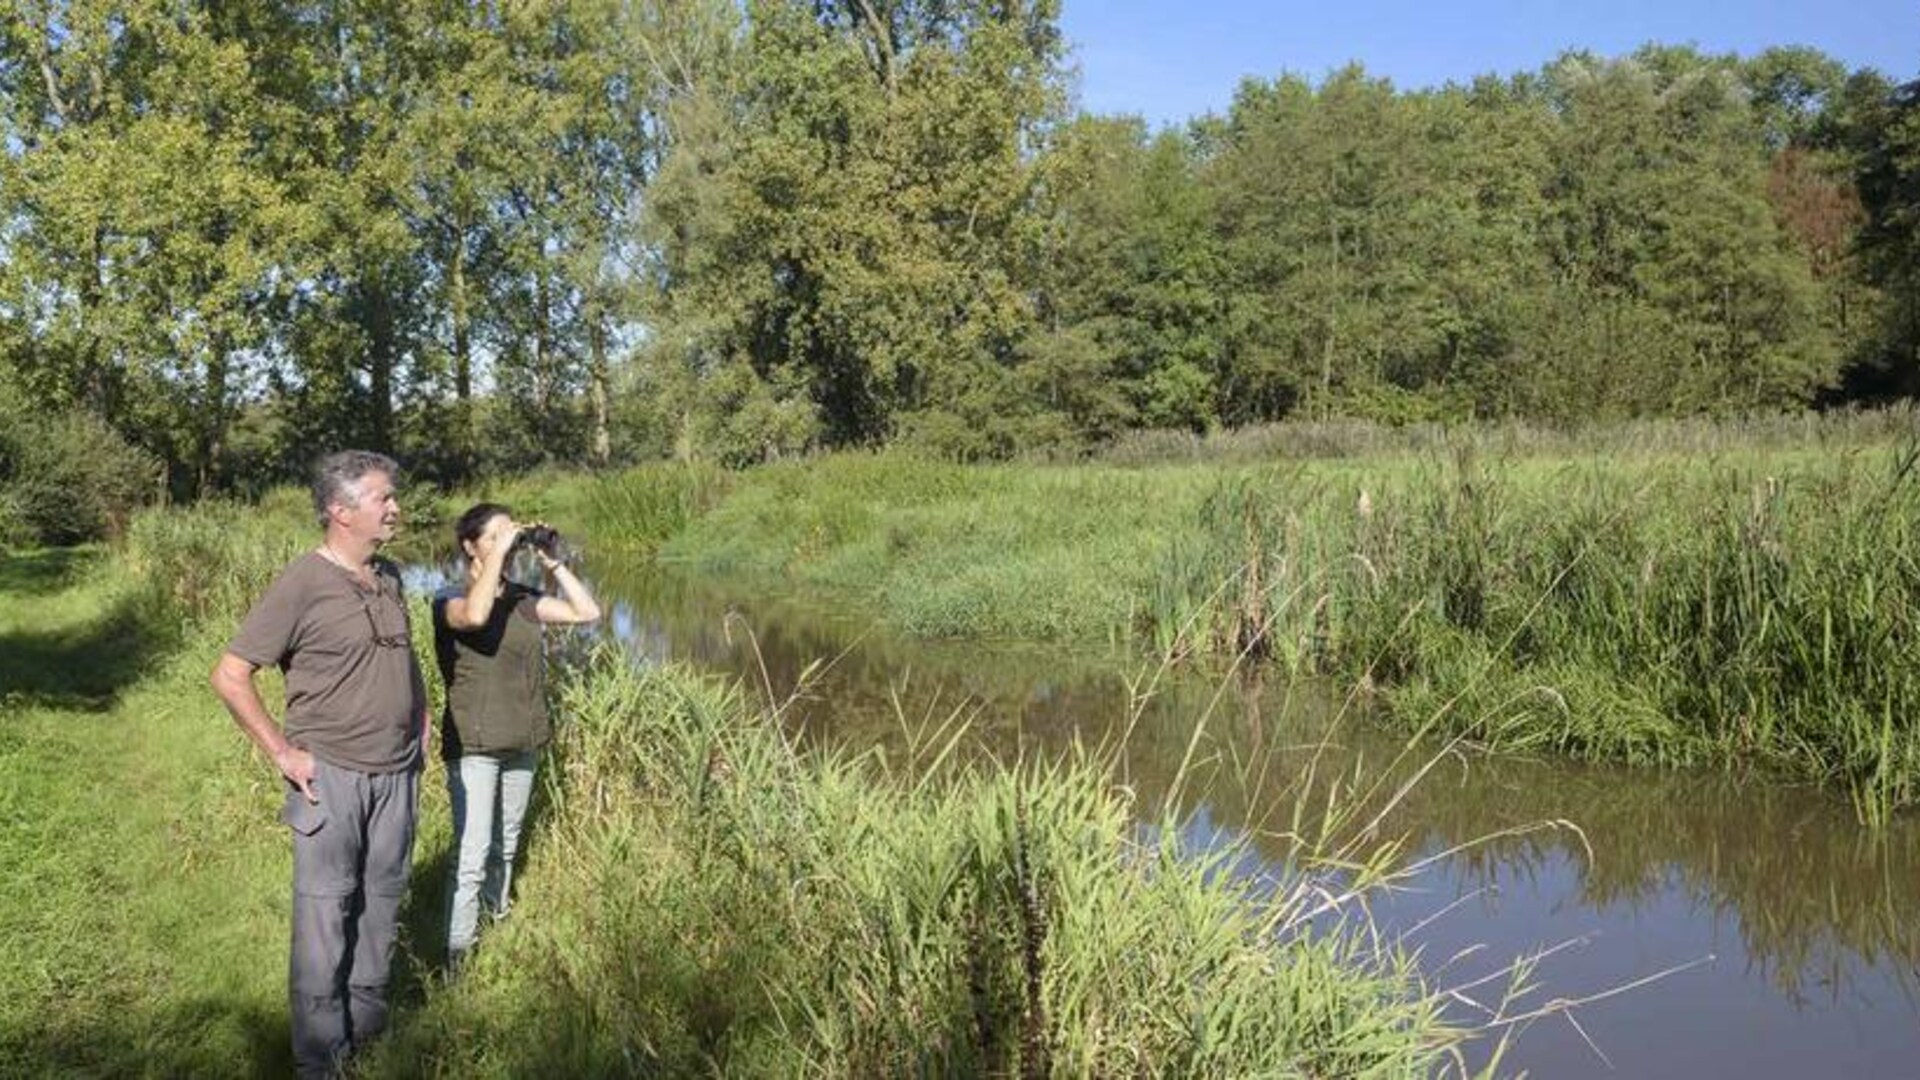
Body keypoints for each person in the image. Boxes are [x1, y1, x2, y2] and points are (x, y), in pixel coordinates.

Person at [209, 450, 428, 1079]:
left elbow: (402, 655)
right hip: (330, 776)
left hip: (398, 773)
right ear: (340, 511)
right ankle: (320, 1063)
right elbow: (230, 676)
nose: (395, 508)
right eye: (383, 498)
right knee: (325, 918)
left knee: (382, 905)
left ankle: (368, 1038)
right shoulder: (302, 582)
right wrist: (282, 750)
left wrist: (419, 714)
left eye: (393, 496)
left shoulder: (387, 575)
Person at [435, 503, 600, 970]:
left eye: (509, 539)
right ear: (470, 546)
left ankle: (497, 923)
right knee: (472, 854)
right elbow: (478, 613)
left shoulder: (525, 600)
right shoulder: (449, 598)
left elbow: (587, 612)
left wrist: (553, 561)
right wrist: (500, 551)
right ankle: (457, 958)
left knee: (505, 846)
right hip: (474, 747)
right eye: (493, 538)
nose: (506, 548)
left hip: (522, 741)